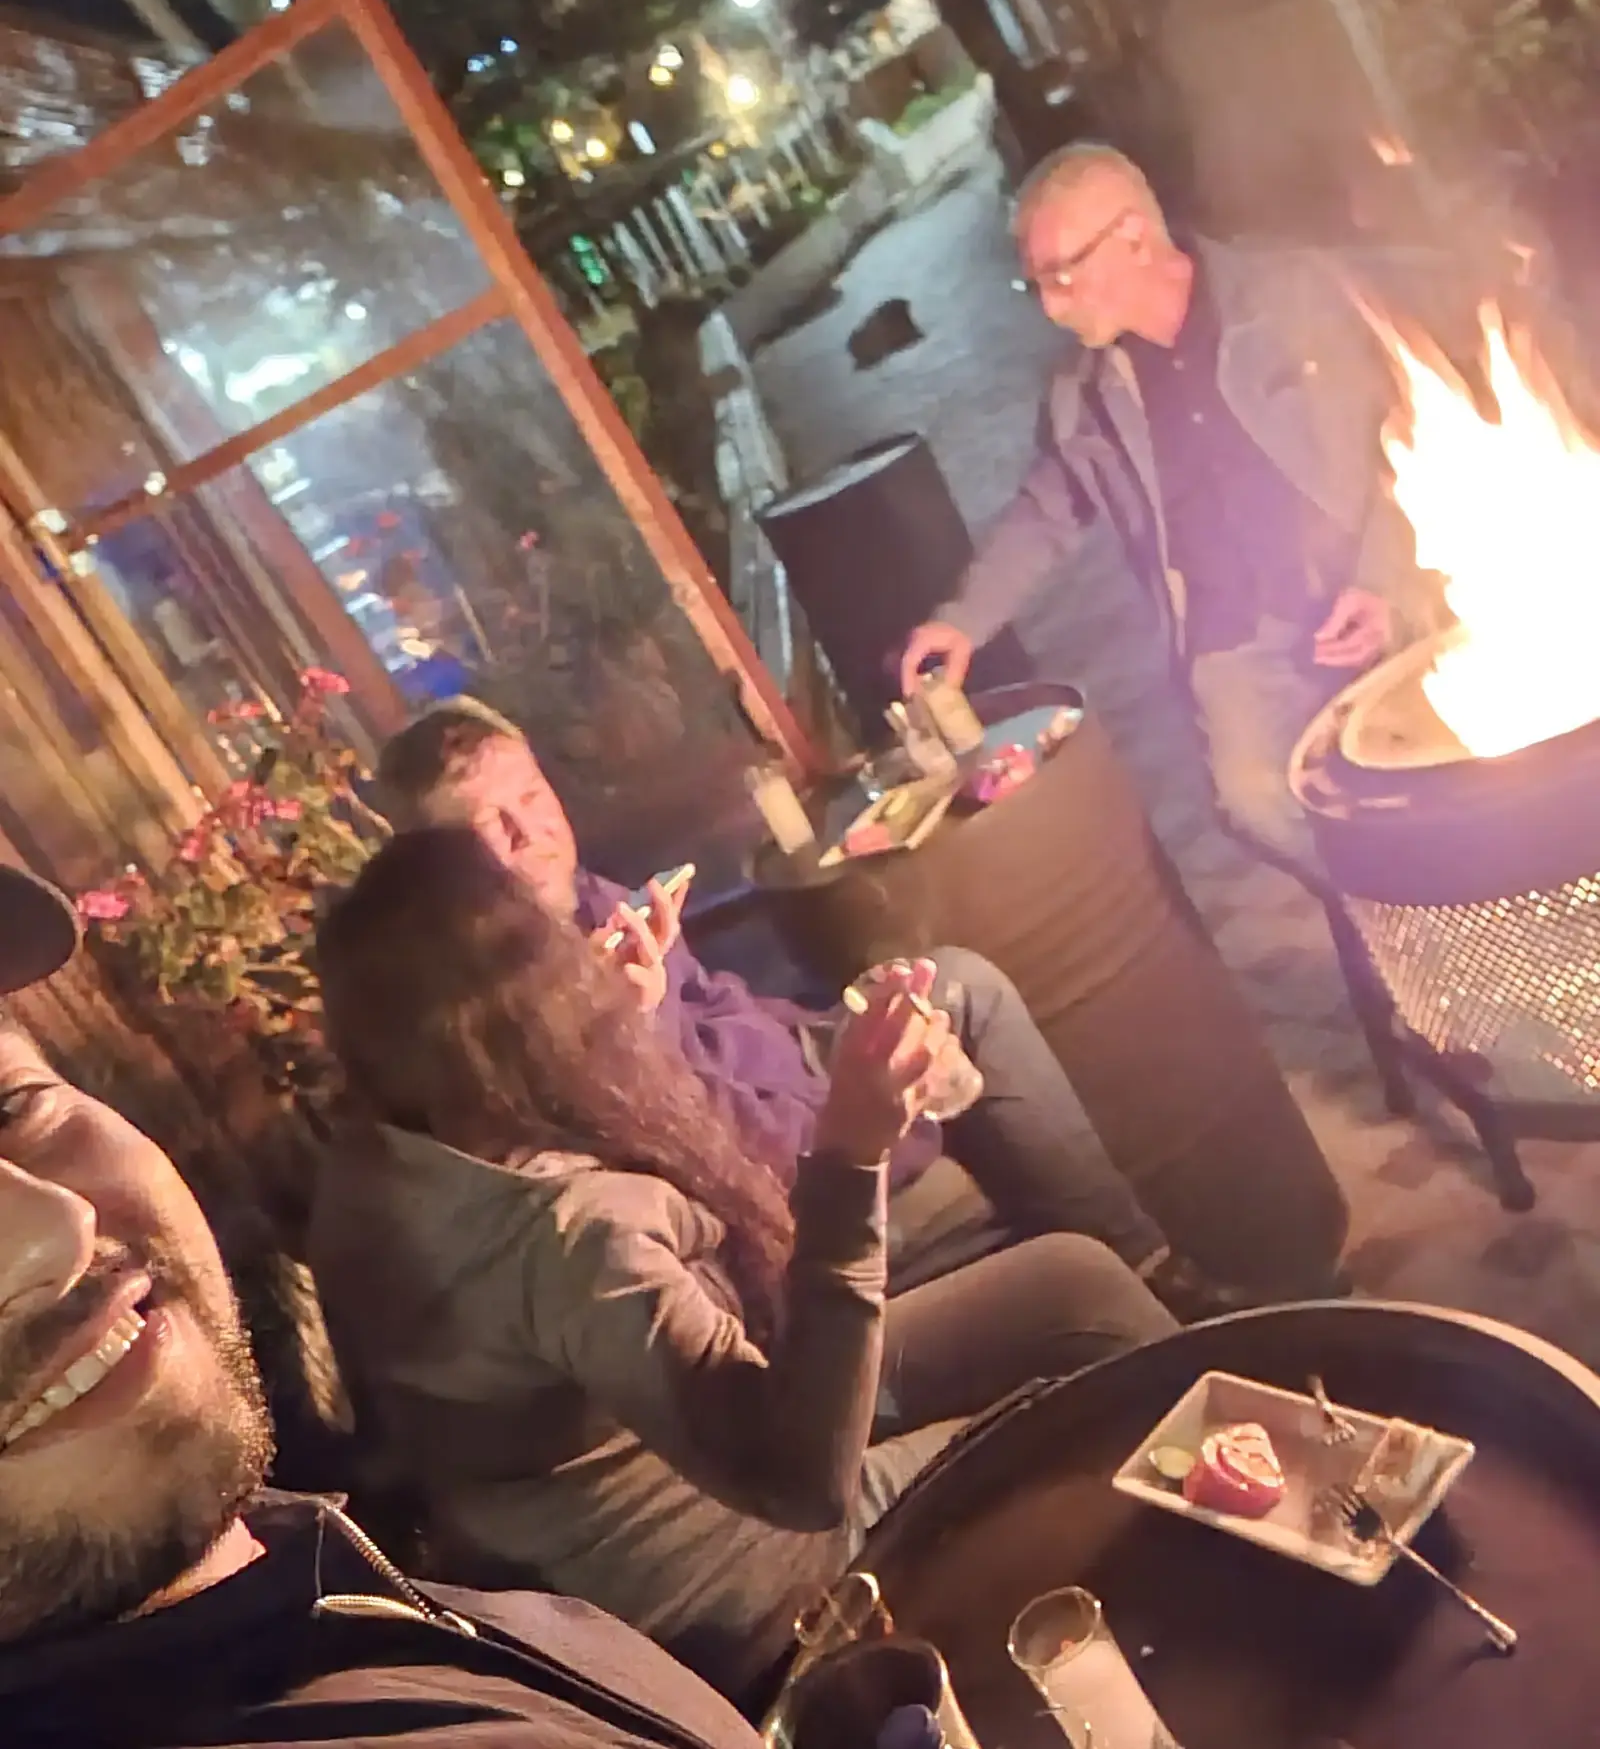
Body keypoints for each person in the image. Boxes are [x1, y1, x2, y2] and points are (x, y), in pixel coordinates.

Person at [308, 829, 1176, 1701]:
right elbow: (801, 1479)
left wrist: (603, 1031)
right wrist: (852, 1152)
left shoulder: (375, 1162)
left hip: (683, 1447)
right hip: (755, 1579)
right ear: (513, 1011)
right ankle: (1213, 1605)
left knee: (1075, 1285)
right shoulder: (562, 1236)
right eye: (546, 943)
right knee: (1094, 1410)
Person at [0, 865, 761, 1749]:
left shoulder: (303, 1575)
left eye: (11, 1104)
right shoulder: (544, 1228)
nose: (53, 1226)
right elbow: (791, 1465)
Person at [373, 697, 1239, 1318]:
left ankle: (1149, 1260)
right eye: (492, 824)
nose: (532, 834)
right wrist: (626, 1029)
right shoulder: (503, 1008)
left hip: (780, 1077)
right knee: (929, 1050)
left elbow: (724, 1008)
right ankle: (1105, 1275)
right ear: (443, 862)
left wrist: (842, 1020)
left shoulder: (597, 899)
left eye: (531, 795)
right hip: (766, 1167)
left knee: (952, 981)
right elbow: (682, 1152)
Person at [898, 145, 1449, 1075]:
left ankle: (1444, 918)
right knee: (1249, 794)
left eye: (1061, 274)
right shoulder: (1088, 392)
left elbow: (1414, 424)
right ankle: (1421, 925)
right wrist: (962, 619)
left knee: (1459, 770)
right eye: (1036, 282)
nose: (1050, 303)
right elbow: (1047, 507)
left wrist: (1384, 581)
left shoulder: (1291, 296)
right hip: (1247, 644)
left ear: (1135, 240)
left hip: (1384, 593)